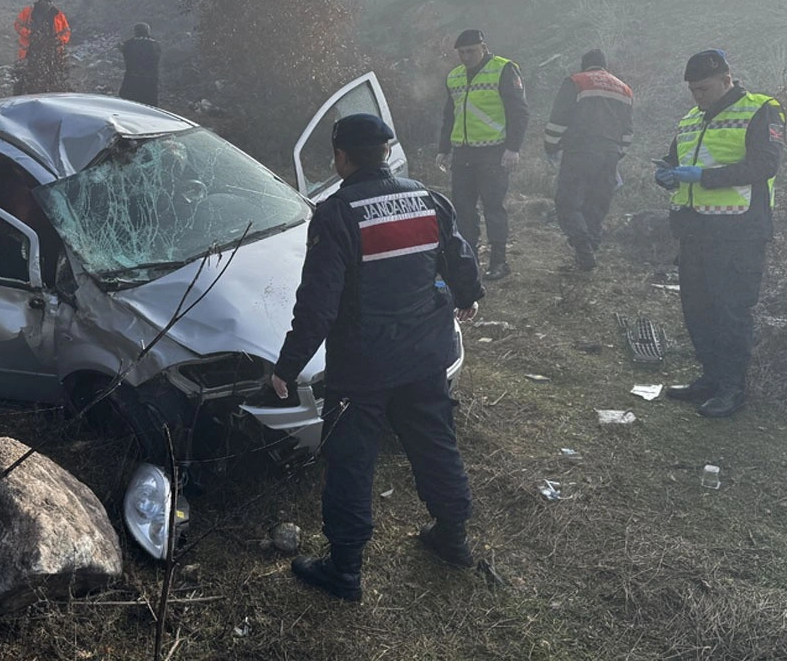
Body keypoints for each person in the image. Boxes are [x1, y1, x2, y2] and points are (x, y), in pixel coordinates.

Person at [271, 114, 484, 602]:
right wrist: (469, 295)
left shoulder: (337, 212)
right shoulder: (428, 198)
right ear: (387, 152)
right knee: (435, 441)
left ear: (341, 157)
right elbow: (459, 255)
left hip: (363, 366)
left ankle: (344, 570)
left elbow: (319, 301)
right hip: (425, 354)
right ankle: (452, 538)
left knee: (351, 461)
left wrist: (288, 365)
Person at [654, 50, 785, 418]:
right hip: (694, 229)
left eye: (704, 89)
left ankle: (732, 389)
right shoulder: (691, 119)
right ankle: (710, 378)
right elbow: (674, 161)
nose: (697, 97)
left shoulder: (762, 109)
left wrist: (705, 178)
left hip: (739, 232)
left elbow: (765, 164)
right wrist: (665, 174)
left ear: (727, 79)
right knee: (698, 311)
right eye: (693, 90)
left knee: (730, 311)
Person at [436, 29, 528, 281]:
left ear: (483, 48)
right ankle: (470, 261)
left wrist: (513, 148)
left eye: (471, 51)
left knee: (493, 208)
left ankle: (499, 261)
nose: (465, 57)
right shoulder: (454, 76)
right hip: (463, 153)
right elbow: (449, 116)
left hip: (493, 152)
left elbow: (519, 112)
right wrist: (443, 149)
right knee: (463, 210)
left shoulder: (504, 69)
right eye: (461, 53)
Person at [543, 49, 633, 271]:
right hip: (610, 154)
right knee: (596, 202)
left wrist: (551, 146)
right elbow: (628, 132)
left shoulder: (576, 81)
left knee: (568, 202)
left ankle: (583, 247)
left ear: (585, 65)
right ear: (605, 66)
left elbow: (558, 120)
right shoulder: (624, 89)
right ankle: (591, 246)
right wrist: (617, 153)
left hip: (580, 151)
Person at [13, 0, 71, 94]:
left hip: (52, 51)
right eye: (46, 1)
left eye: (51, 1)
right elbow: (18, 25)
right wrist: (30, 34)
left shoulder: (58, 14)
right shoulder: (29, 12)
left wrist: (59, 41)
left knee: (54, 77)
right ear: (40, 1)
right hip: (30, 51)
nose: (49, 3)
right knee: (25, 77)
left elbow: (66, 31)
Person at [119, 23, 162, 106]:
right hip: (150, 82)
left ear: (135, 31)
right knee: (149, 107)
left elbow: (127, 56)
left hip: (132, 80)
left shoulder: (129, 43)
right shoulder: (155, 44)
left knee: (128, 105)